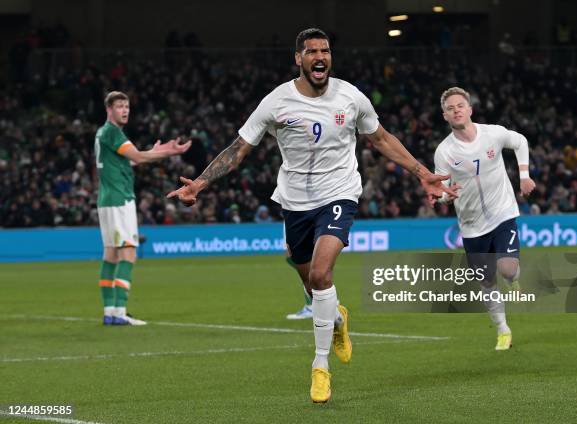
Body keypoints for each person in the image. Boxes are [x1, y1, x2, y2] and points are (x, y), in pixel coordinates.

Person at [168, 28, 457, 403]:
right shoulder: (276, 102)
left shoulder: (351, 97)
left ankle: (320, 367)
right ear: (298, 59)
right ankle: (336, 317)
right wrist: (200, 184)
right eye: (312, 51)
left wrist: (422, 175)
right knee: (310, 281)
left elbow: (381, 138)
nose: (320, 57)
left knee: (322, 274)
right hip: (295, 202)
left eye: (325, 50)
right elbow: (239, 149)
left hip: (339, 194)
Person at [434, 86, 536, 350]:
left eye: (460, 106)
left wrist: (524, 175)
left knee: (507, 269)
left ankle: (514, 278)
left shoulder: (493, 133)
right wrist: (445, 197)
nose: (455, 110)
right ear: (444, 116)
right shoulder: (444, 152)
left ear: (470, 109)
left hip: (503, 213)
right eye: (449, 108)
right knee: (486, 280)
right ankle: (503, 329)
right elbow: (441, 191)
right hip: (471, 227)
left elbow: (520, 141)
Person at [96, 91, 191, 326]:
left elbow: (128, 159)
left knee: (110, 254)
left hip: (107, 199)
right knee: (128, 252)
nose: (125, 110)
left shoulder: (103, 134)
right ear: (109, 109)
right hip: (120, 199)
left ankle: (110, 311)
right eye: (119, 106)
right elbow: (138, 157)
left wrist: (159, 151)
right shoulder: (112, 132)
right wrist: (167, 152)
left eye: (127, 106)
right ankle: (119, 312)